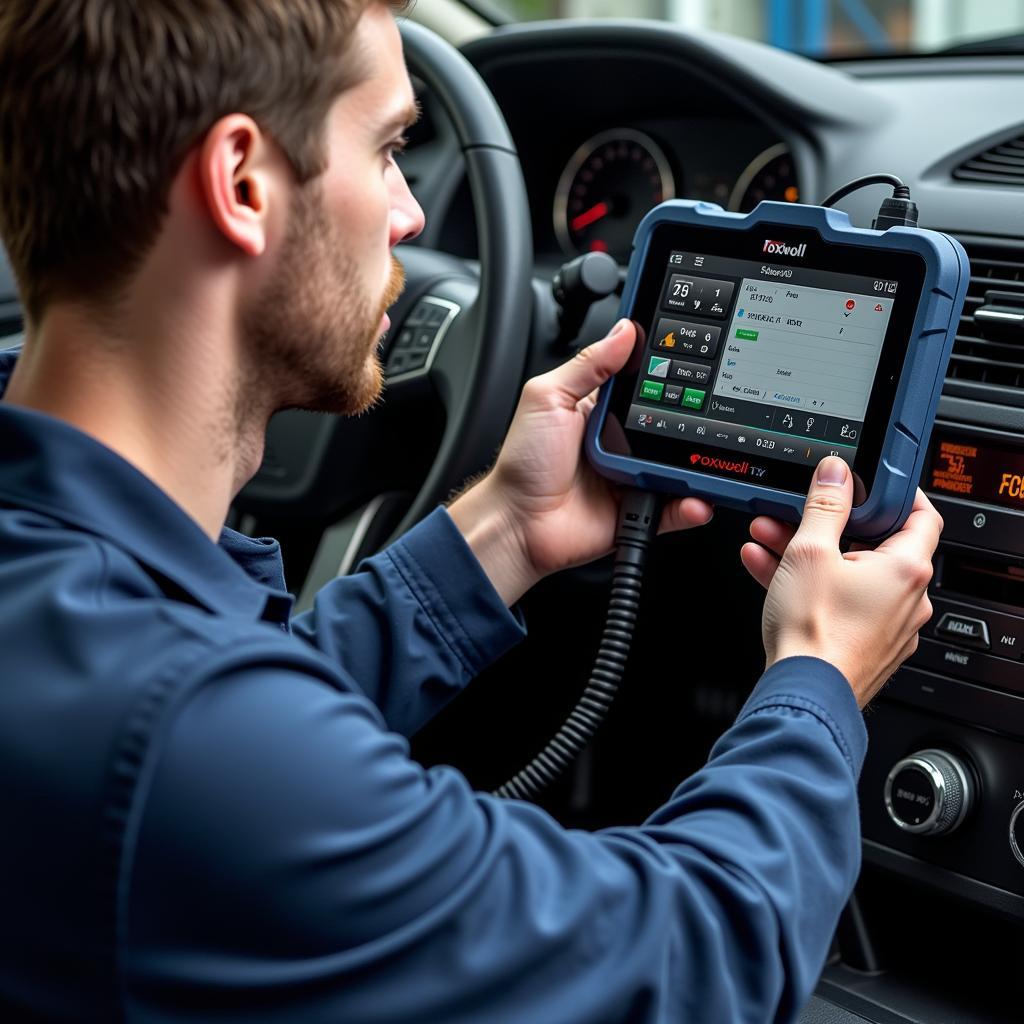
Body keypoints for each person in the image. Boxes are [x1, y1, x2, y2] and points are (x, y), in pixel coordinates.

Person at [0, 2, 940, 1021]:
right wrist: (817, 676)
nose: (409, 215)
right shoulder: (176, 740)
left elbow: (223, 746)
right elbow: (690, 959)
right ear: (240, 182)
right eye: (391, 149)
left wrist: (500, 530)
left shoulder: (85, 624)